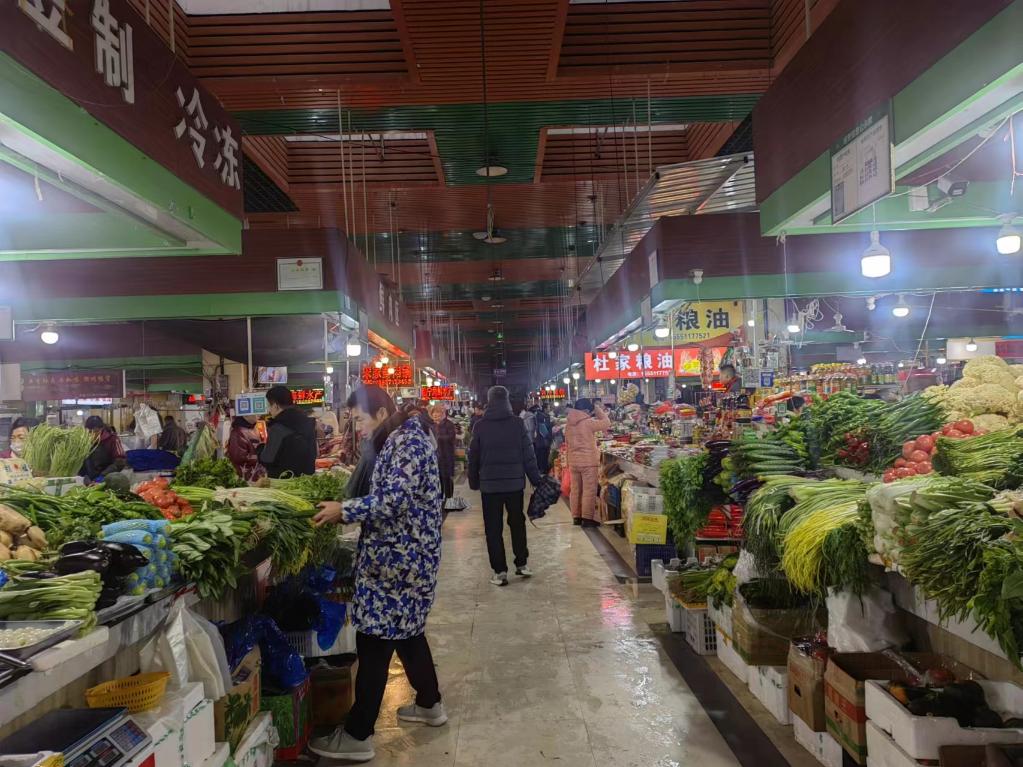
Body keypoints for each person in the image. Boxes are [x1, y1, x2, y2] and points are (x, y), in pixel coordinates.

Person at [310, 386, 445, 763]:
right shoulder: (402, 438)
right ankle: (430, 704)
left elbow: (394, 500)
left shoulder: (406, 443)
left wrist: (345, 510)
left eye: (360, 419)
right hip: (406, 555)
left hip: (398, 559)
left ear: (382, 413)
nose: (357, 427)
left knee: (374, 640)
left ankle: (358, 734)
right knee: (408, 632)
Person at [467, 385, 542, 586]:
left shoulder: (480, 426)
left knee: (493, 528)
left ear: (489, 401)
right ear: (507, 400)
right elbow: (528, 454)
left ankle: (499, 571)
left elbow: (473, 457)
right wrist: (535, 479)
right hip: (514, 485)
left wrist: (473, 481)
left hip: (490, 487)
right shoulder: (517, 423)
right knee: (517, 523)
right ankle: (522, 563)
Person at [564, 398, 611, 527]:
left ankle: (576, 517)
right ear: (585, 410)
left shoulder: (568, 424)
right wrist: (597, 409)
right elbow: (607, 423)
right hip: (588, 462)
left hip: (573, 462)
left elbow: (567, 443)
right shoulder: (588, 422)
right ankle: (587, 518)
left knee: (575, 489)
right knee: (589, 490)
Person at [258, 385, 316, 478]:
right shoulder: (307, 422)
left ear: (276, 406)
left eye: (269, 405)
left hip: (283, 481)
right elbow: (314, 453)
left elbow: (267, 459)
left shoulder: (278, 428)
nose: (269, 410)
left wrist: (260, 448)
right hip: (306, 480)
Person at [429, 404, 461, 506]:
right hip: (436, 456)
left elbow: (451, 437)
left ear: (442, 414)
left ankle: (449, 499)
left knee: (447, 478)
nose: (436, 416)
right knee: (438, 478)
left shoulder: (449, 424)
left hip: (447, 455)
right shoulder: (431, 426)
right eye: (434, 414)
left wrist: (439, 437)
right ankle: (440, 499)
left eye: (438, 414)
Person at [227, 416, 263, 481]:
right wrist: (259, 457)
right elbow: (238, 457)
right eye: (255, 412)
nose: (259, 415)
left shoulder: (253, 428)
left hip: (254, 475)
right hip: (245, 478)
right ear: (245, 415)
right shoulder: (238, 432)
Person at [531, 404, 553, 474]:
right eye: (549, 407)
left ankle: (543, 469)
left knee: (543, 455)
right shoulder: (541, 416)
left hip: (542, 441)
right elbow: (542, 429)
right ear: (545, 409)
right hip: (543, 441)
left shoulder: (543, 416)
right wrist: (549, 437)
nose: (550, 409)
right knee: (542, 455)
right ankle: (542, 470)